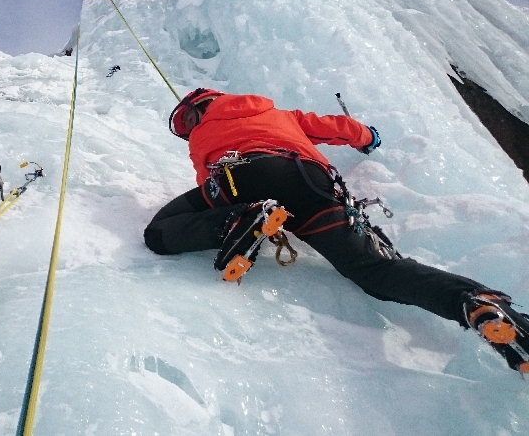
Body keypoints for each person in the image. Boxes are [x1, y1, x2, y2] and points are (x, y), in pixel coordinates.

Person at [145, 87, 529, 374]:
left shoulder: (201, 136)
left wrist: (230, 212)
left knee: (159, 231)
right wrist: (368, 137)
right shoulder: (279, 113)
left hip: (240, 177)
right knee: (374, 272)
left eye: (188, 119)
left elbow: (206, 180)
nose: (189, 128)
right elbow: (333, 127)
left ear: (202, 105)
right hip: (310, 182)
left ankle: (242, 219)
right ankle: (476, 304)